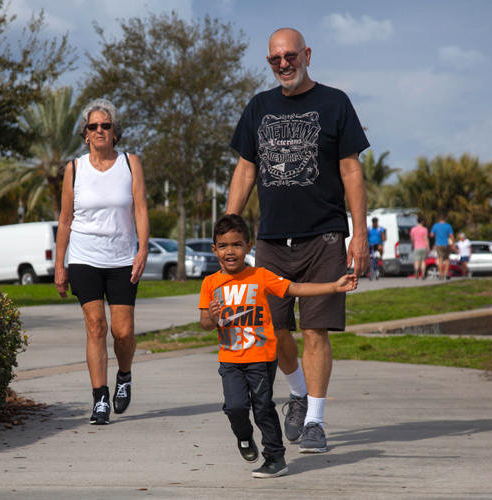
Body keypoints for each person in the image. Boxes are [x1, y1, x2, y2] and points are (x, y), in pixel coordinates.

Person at [225, 27, 370, 454]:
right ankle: (298, 392)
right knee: (273, 330)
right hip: (271, 240)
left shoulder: (335, 102)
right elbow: (246, 171)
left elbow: (350, 170)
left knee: (316, 332)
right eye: (275, 59)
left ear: (306, 54)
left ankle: (315, 422)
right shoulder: (258, 107)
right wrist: (230, 232)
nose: (284, 64)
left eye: (290, 56)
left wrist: (358, 234)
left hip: (324, 237)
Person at [199, 215, 358, 478]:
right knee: (235, 408)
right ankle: (244, 437)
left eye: (237, 244)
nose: (231, 251)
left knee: (262, 408)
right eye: (224, 246)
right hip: (229, 360)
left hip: (260, 358)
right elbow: (205, 323)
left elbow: (295, 288)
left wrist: (333, 286)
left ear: (249, 247)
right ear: (215, 249)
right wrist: (213, 317)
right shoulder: (210, 284)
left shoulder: (261, 276)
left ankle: (275, 457)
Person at [54, 99, 150, 425]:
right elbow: (65, 220)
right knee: (96, 327)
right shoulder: (75, 169)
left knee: (123, 332)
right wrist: (59, 265)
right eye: (93, 126)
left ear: (114, 132)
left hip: (123, 259)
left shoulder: (130, 163)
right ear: (85, 134)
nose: (99, 131)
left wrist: (143, 250)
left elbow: (140, 210)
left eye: (105, 126)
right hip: (84, 258)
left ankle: (124, 374)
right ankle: (100, 399)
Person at [430, 214, 454, 280]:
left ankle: (441, 274)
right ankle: (446, 273)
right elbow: (451, 236)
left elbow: (431, 235)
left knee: (440, 259)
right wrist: (453, 244)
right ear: (445, 219)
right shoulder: (448, 226)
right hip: (446, 244)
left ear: (439, 219)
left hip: (438, 244)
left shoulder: (435, 226)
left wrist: (436, 236)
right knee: (447, 259)